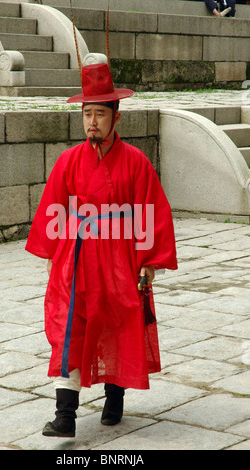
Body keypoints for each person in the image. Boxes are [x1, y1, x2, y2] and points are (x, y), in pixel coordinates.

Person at [25, 62, 178, 438]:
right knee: (68, 330)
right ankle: (65, 415)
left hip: (120, 260)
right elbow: (53, 209)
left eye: (100, 114)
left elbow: (152, 211)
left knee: (118, 325)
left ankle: (115, 393)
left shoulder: (136, 163)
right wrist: (51, 255)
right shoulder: (68, 162)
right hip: (75, 260)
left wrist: (149, 263)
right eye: (87, 114)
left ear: (116, 117)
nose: (92, 122)